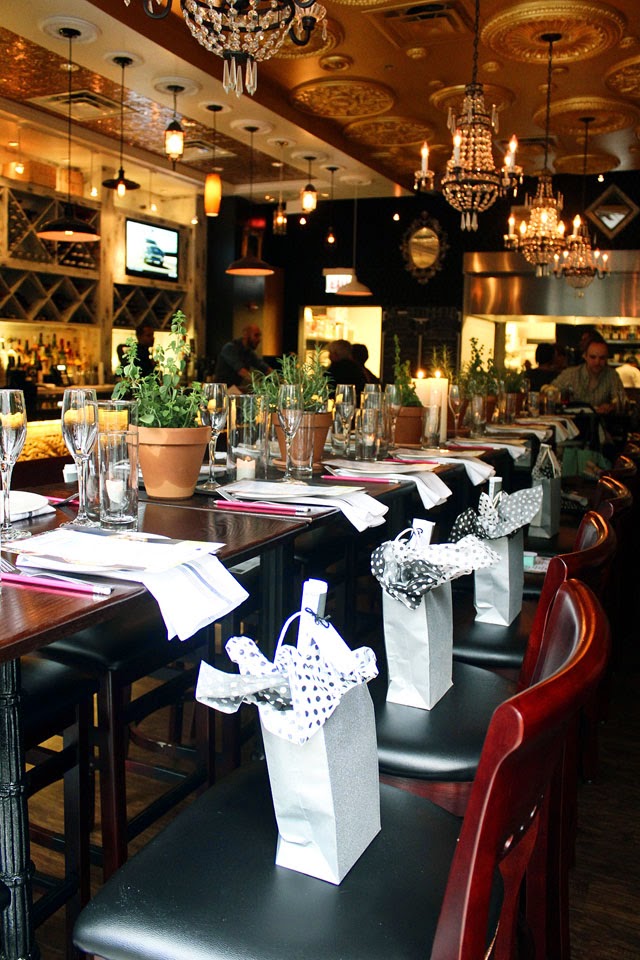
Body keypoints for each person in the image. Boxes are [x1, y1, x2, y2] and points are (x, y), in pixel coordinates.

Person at [551, 333, 626, 414]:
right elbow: (549, 391)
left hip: (601, 420)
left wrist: (611, 406)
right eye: (593, 357)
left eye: (602, 358)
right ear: (585, 356)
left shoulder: (612, 375)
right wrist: (553, 395)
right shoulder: (571, 374)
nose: (597, 362)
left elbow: (621, 400)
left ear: (607, 358)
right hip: (574, 420)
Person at [213, 324, 272, 389]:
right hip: (221, 390)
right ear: (246, 335)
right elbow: (241, 370)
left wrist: (278, 378)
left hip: (233, 389)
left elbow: (263, 367)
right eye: (256, 335)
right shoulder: (230, 348)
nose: (259, 339)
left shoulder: (249, 352)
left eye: (259, 336)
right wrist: (258, 384)